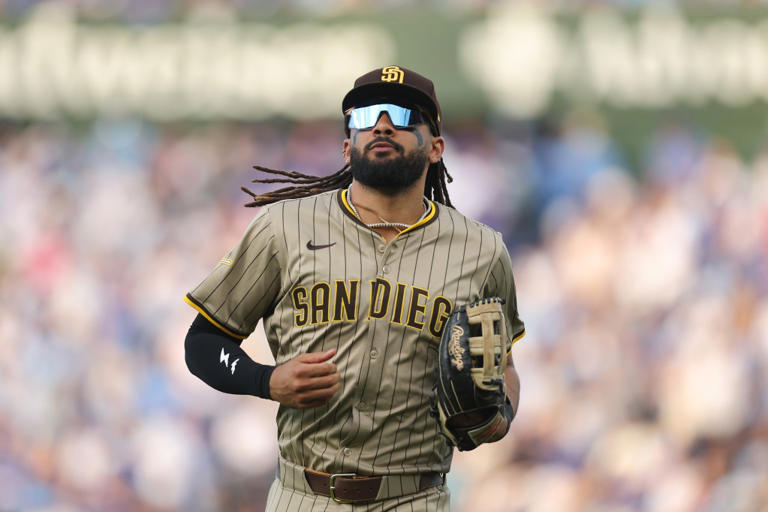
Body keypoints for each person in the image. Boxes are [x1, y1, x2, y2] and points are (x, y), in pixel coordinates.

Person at [183, 65, 526, 511]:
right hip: (302, 495)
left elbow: (507, 367)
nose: (382, 124)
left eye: (405, 115)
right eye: (365, 116)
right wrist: (266, 380)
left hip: (416, 497)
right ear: (348, 146)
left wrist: (499, 418)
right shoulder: (283, 228)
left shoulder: (482, 250)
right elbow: (203, 342)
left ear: (436, 147)